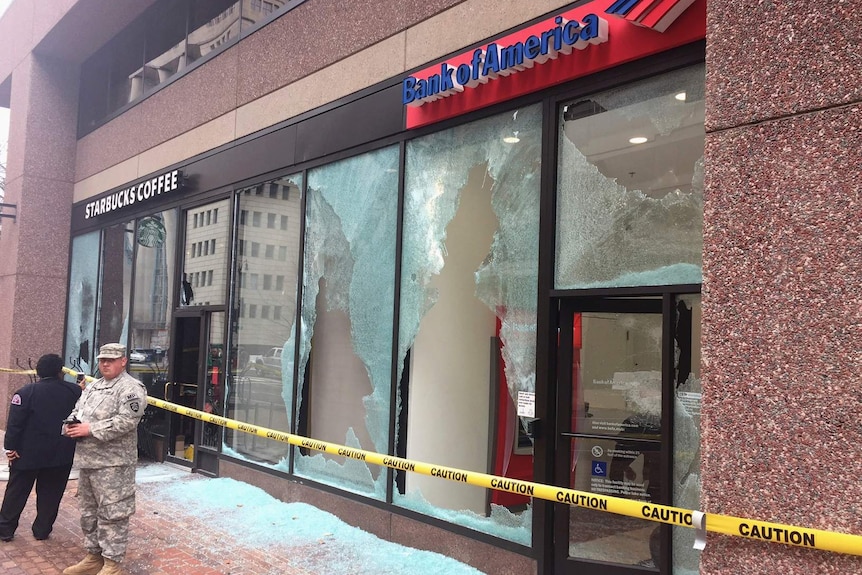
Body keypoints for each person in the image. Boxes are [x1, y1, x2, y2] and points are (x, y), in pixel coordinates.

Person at [63, 343, 147, 575]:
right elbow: (77, 410)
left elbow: (127, 421)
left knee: (113, 514)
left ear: (123, 361)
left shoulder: (131, 388)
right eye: (102, 360)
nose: (105, 364)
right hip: (88, 461)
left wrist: (89, 429)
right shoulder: (95, 386)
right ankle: (93, 556)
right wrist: (71, 425)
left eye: (111, 360)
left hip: (114, 464)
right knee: (89, 513)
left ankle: (112, 563)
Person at [0, 353, 82, 542]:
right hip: (60, 454)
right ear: (61, 371)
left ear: (37, 371)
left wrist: (9, 448)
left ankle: (5, 530)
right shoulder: (74, 392)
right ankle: (42, 530)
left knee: (16, 492)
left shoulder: (25, 392)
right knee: (51, 494)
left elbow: (15, 424)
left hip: (26, 454)